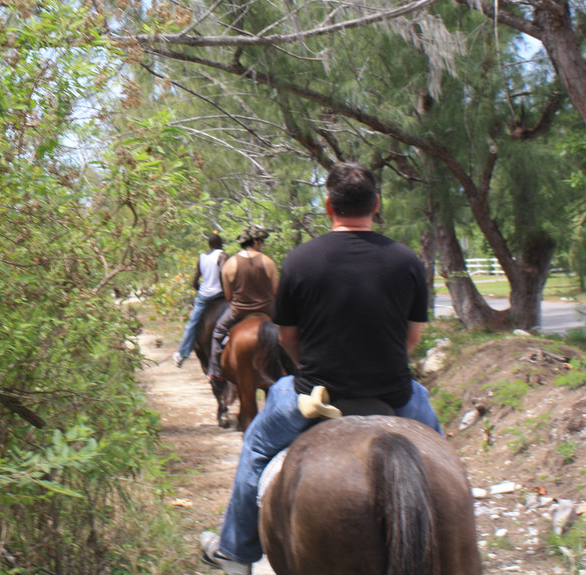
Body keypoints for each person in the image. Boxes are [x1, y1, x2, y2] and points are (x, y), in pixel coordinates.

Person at [199, 162, 442, 575]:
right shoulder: (407, 262)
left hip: (315, 397)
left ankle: (236, 553)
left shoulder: (300, 260)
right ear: (376, 205)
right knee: (442, 457)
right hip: (396, 394)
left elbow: (289, 339)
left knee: (256, 447)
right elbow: (411, 339)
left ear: (328, 205)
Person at [207, 227, 277, 383]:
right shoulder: (268, 262)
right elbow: (275, 291)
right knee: (290, 331)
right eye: (261, 241)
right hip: (268, 310)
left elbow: (228, 296)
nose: (262, 244)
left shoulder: (230, 264)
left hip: (239, 312)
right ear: (256, 241)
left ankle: (215, 371)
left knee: (218, 332)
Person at [173, 233, 226, 367]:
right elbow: (224, 276)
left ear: (209, 245)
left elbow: (195, 282)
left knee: (193, 323)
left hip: (204, 295)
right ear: (220, 244)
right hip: (220, 294)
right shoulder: (222, 255)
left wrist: (201, 291)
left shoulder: (202, 258)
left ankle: (182, 353)